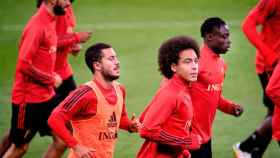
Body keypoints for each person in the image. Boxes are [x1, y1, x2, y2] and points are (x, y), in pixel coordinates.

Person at [1, 0, 70, 158]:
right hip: (28, 101)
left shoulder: (50, 21)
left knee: (62, 140)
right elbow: (23, 64)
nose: (68, 3)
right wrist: (50, 79)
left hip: (47, 97)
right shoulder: (37, 26)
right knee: (20, 147)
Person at [48, 43, 141, 158]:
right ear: (97, 65)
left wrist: (129, 126)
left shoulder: (120, 90)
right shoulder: (85, 93)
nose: (117, 62)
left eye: (116, 57)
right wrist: (76, 147)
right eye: (111, 59)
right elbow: (54, 119)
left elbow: (117, 118)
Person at [137, 36, 201, 158]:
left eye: (196, 61)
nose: (194, 66)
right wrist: (184, 142)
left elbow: (143, 118)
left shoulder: (183, 89)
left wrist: (181, 150)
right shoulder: (171, 93)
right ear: (174, 67)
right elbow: (147, 129)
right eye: (187, 62)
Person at [189, 17, 244, 158]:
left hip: (205, 135)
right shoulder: (196, 62)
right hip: (188, 136)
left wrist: (230, 107)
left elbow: (214, 95)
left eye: (228, 36)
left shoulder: (221, 64)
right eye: (224, 36)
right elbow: (171, 88)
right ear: (209, 37)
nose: (229, 40)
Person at [233, 0, 280, 157]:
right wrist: (269, 55)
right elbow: (248, 25)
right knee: (276, 114)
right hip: (271, 66)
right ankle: (246, 148)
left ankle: (249, 151)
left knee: (273, 114)